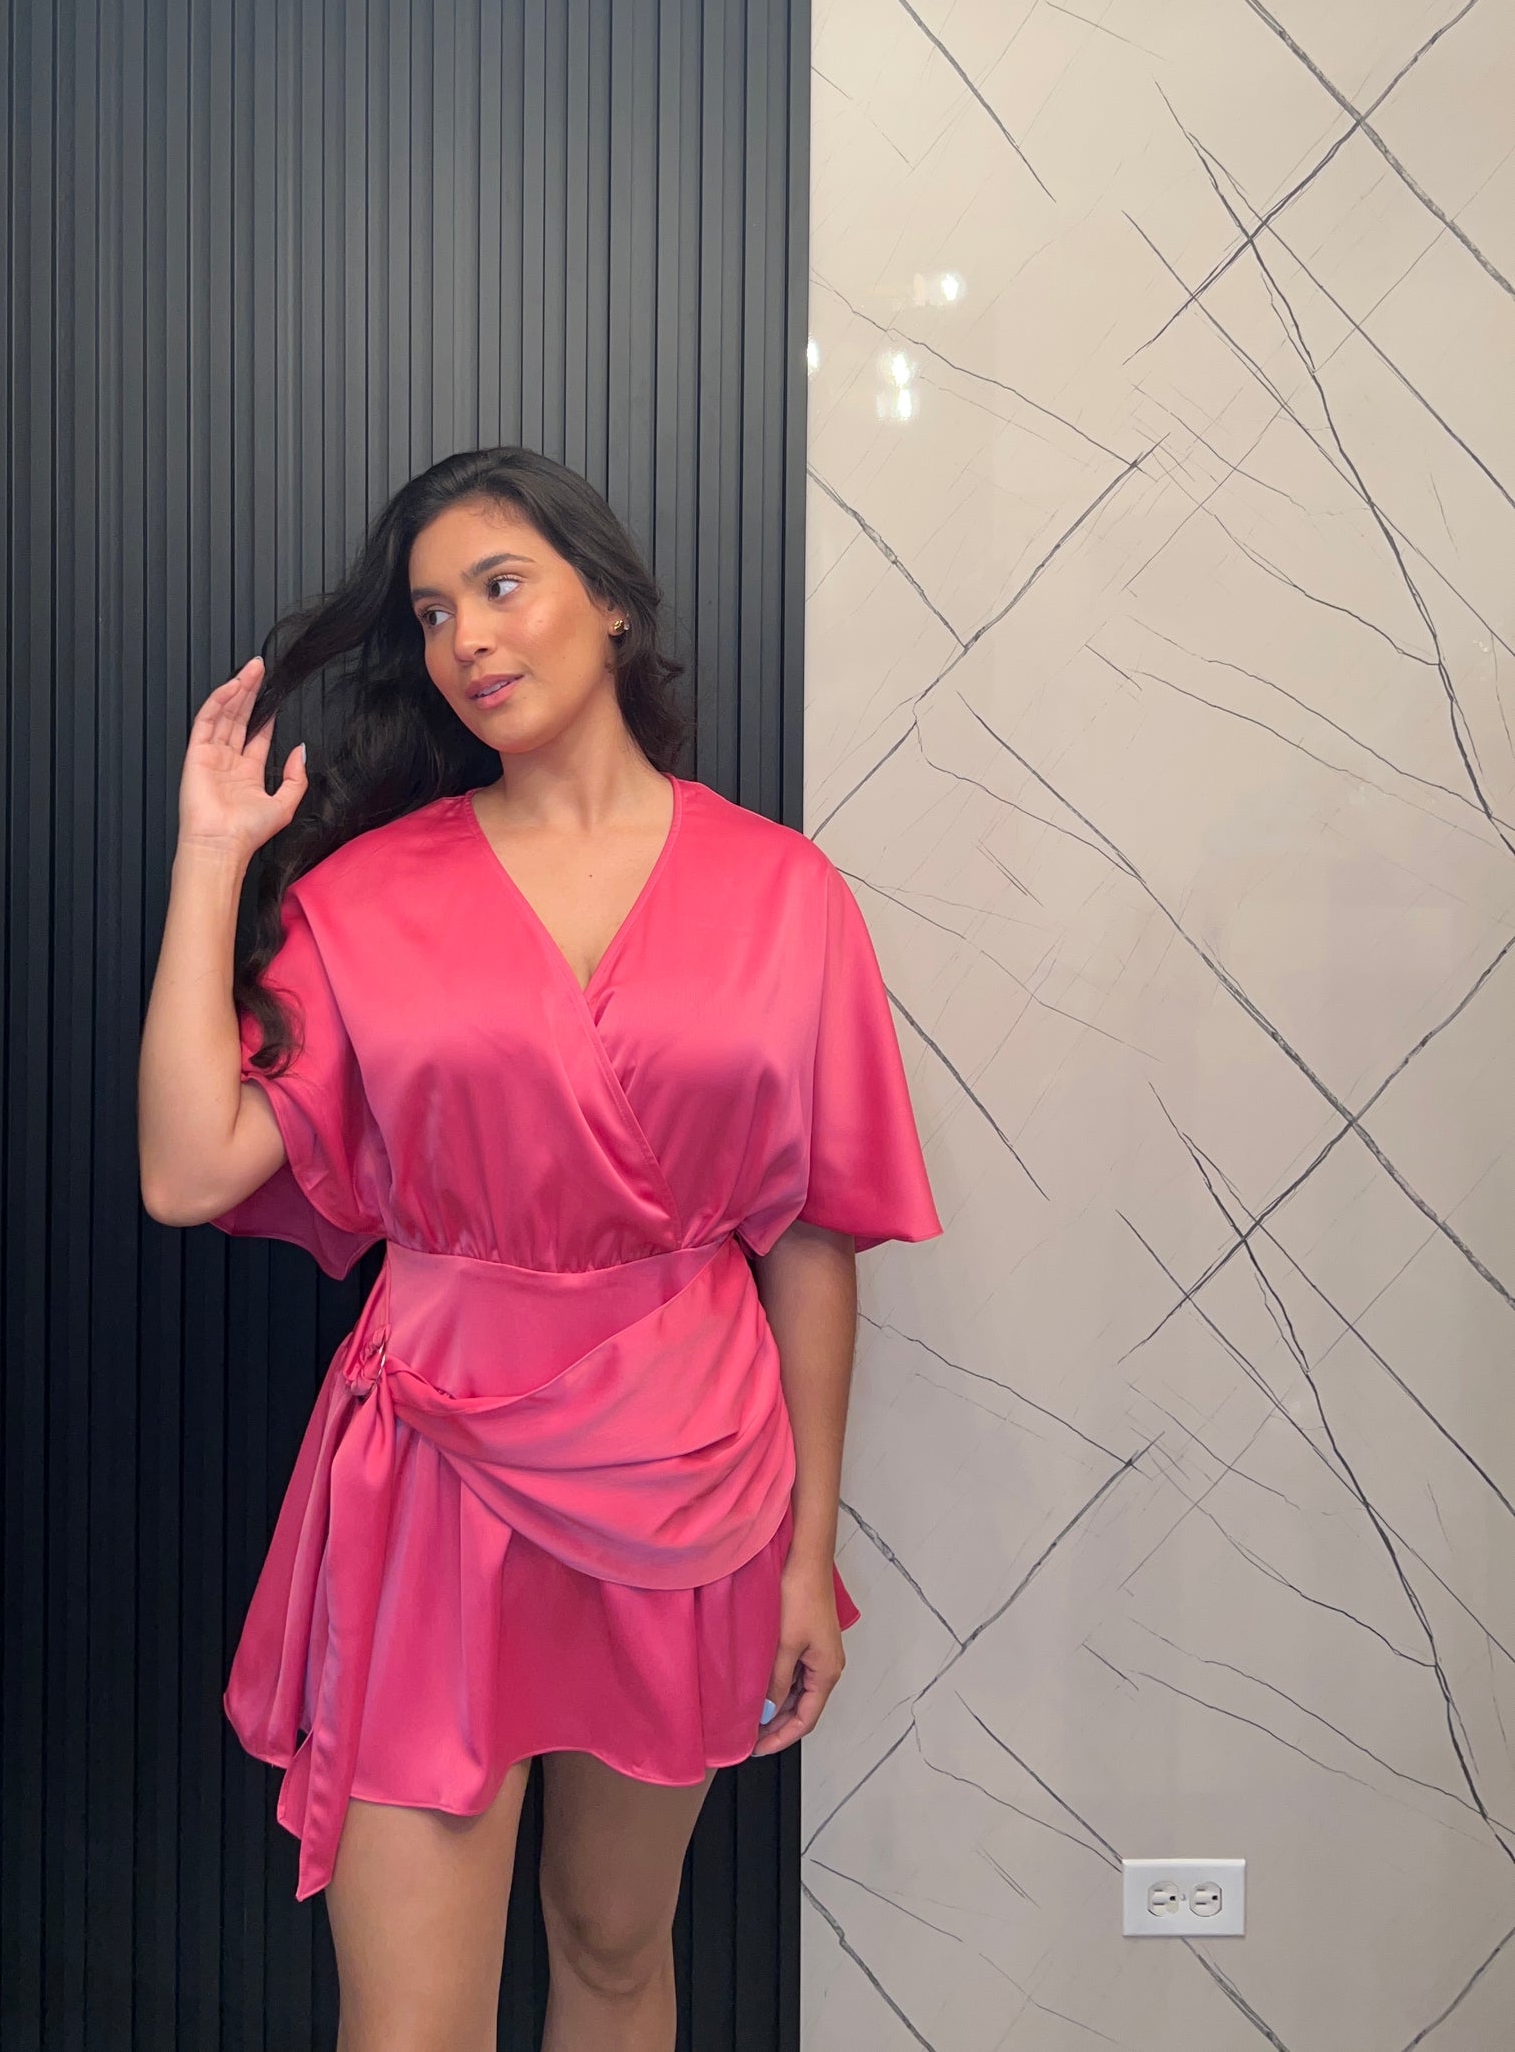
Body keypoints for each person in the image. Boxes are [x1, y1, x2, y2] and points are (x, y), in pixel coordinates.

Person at [137, 444, 942, 2051]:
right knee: (411, 2024)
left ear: (616, 608)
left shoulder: (785, 894)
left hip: (693, 1474)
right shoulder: (372, 890)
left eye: (501, 586)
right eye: (434, 614)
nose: (467, 641)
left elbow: (810, 1240)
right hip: (431, 1473)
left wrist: (805, 1553)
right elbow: (184, 1167)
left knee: (613, 1952)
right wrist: (212, 851)